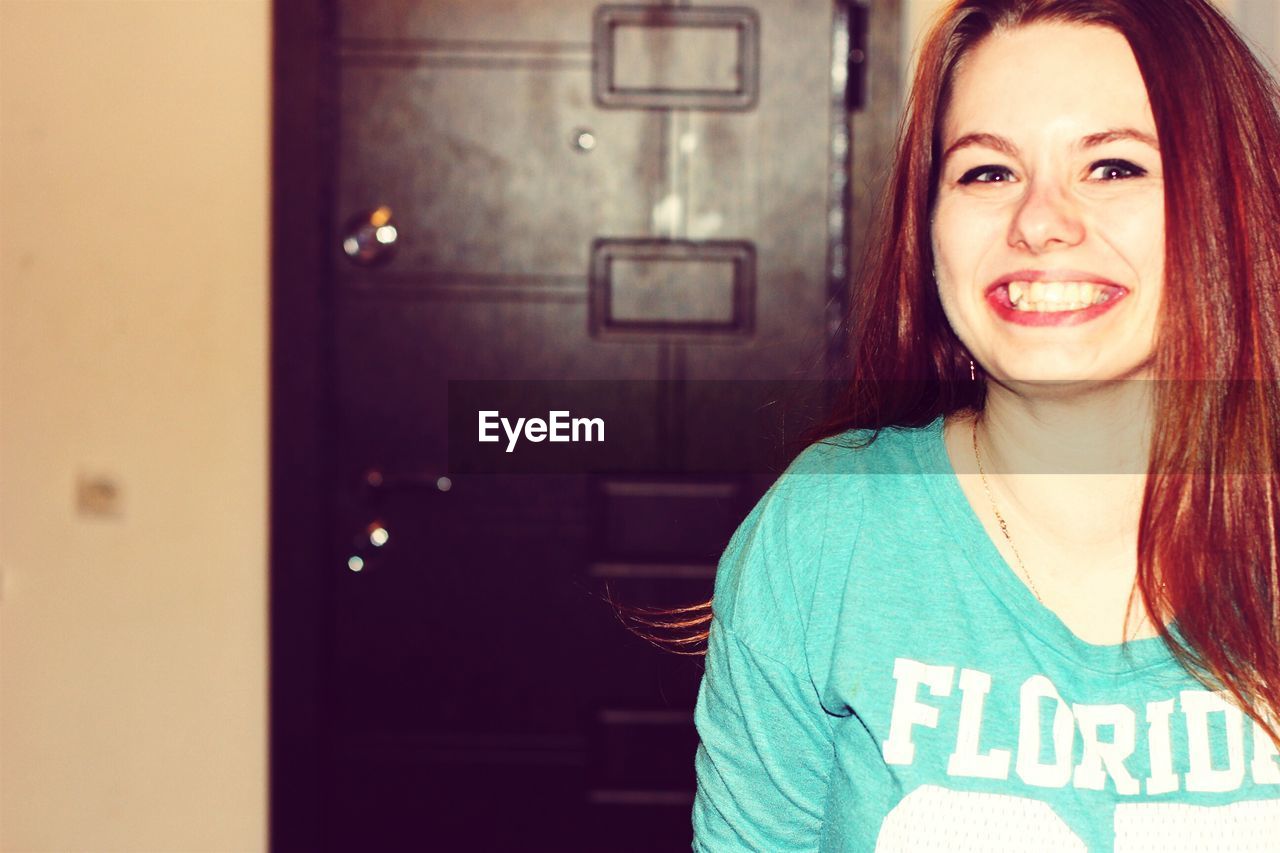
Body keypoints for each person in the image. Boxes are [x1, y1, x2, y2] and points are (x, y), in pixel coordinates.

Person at [690, 0, 1280, 848]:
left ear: (1231, 203)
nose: (1040, 221)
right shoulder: (827, 530)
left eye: (1114, 166)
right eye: (986, 173)